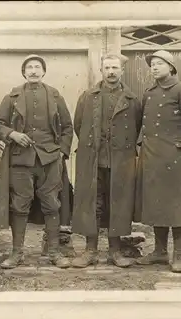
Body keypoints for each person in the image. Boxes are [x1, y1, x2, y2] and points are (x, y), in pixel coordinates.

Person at [0, 54, 74, 269]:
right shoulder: (12, 97)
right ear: (23, 72)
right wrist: (12, 134)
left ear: (44, 71)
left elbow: (67, 126)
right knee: (19, 205)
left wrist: (61, 152)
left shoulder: (55, 95)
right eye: (29, 67)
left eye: (38, 67)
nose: (33, 71)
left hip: (49, 158)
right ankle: (16, 253)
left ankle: (54, 252)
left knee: (51, 204)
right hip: (21, 159)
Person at [134, 50, 181, 273]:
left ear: (171, 67)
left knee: (178, 205)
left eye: (159, 64)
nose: (154, 68)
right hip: (152, 155)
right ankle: (159, 252)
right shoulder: (149, 93)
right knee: (157, 202)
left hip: (177, 158)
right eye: (152, 64)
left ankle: (178, 254)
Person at [71, 53, 143, 268]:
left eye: (115, 68)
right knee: (92, 203)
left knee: (118, 204)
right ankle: (90, 250)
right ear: (101, 71)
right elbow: (79, 124)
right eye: (107, 68)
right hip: (93, 159)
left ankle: (115, 251)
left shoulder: (132, 100)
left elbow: (137, 126)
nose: (111, 72)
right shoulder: (88, 96)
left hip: (121, 160)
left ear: (122, 71)